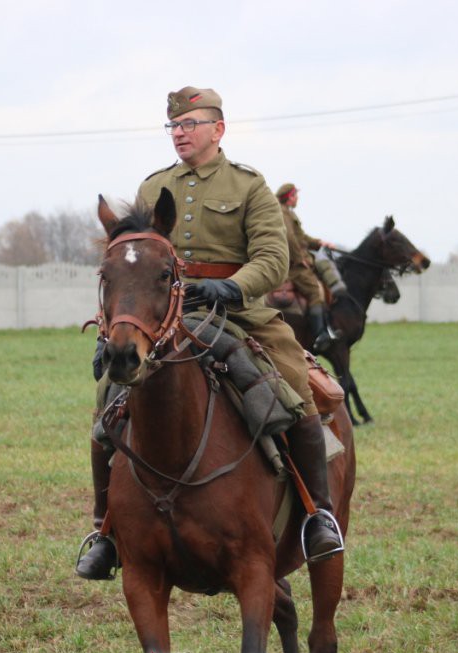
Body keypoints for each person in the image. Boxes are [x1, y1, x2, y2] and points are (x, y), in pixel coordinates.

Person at [76, 86, 344, 580]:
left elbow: (273, 258)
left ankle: (318, 516)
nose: (180, 133)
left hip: (239, 313)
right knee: (107, 399)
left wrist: (233, 288)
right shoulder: (154, 186)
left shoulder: (249, 186)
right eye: (174, 127)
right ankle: (105, 533)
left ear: (217, 129)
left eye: (190, 124)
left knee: (293, 386)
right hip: (166, 316)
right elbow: (135, 262)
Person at [274, 182, 346, 353]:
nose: (297, 198)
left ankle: (326, 326)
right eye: (296, 195)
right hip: (294, 266)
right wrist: (300, 260)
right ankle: (319, 334)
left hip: (300, 259)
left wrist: (320, 243)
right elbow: (290, 239)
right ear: (290, 197)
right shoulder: (283, 214)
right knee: (314, 291)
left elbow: (301, 237)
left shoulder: (289, 214)